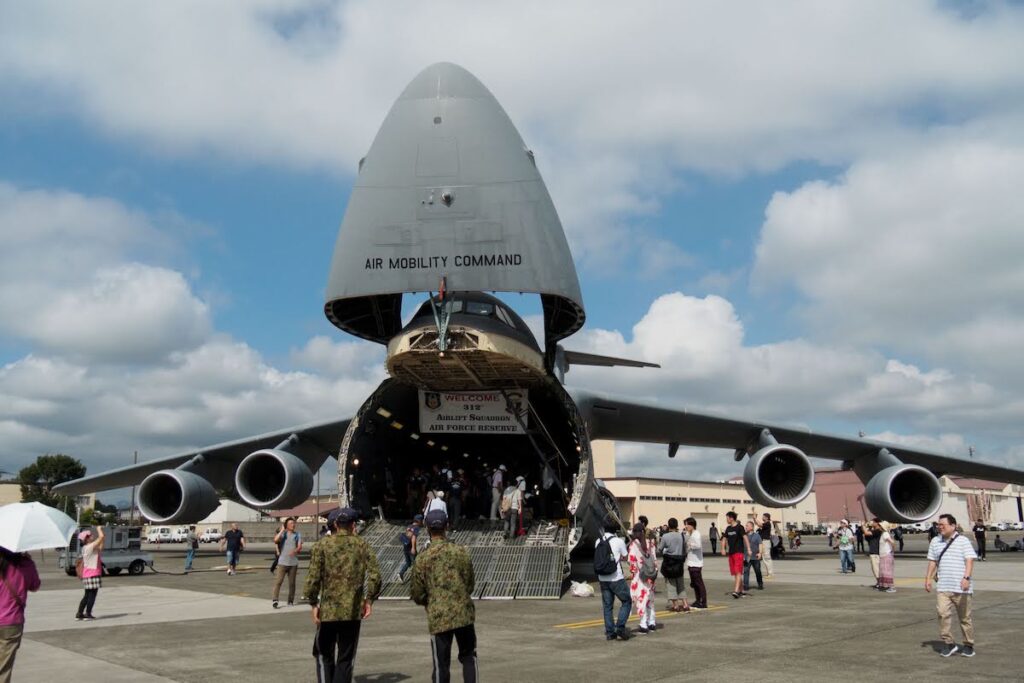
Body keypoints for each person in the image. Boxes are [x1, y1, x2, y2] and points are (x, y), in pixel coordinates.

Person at [305, 507, 381, 683]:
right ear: (353, 525)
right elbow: (375, 575)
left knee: (324, 654)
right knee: (346, 658)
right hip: (352, 611)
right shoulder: (362, 545)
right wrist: (369, 600)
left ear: (336, 525)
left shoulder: (322, 545)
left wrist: (312, 603)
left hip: (328, 611)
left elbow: (313, 577)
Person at [410, 510, 478, 682]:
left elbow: (417, 592)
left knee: (441, 664)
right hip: (463, 613)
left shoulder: (423, 558)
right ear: (447, 526)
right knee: (469, 657)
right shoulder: (460, 551)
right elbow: (470, 582)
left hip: (439, 615)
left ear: (427, 528)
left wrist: (427, 601)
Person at [925, 513, 977, 658]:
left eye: (943, 525)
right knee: (942, 614)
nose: (939, 527)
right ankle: (949, 643)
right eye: (938, 525)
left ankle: (968, 645)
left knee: (965, 618)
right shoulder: (935, 541)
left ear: (953, 526)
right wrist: (928, 578)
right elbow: (932, 561)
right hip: (943, 586)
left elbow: (969, 560)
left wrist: (966, 577)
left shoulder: (963, 541)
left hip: (961, 586)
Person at [0, 546, 40, 683]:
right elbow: (35, 586)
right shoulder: (26, 564)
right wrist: (28, 562)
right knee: (3, 668)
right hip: (11, 622)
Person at [595, 517, 632, 641]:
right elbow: (626, 557)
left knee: (607, 606)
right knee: (626, 601)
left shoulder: (598, 541)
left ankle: (610, 632)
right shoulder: (619, 541)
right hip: (616, 577)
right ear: (615, 529)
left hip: (602, 577)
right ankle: (620, 627)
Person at [627, 523, 657, 634]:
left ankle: (643, 623)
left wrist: (633, 572)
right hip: (650, 575)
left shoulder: (634, 544)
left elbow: (632, 562)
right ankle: (652, 622)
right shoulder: (651, 543)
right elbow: (654, 560)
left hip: (640, 577)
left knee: (641, 599)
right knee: (650, 600)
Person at [657, 518, 689, 613]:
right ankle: (685, 604)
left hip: (669, 563)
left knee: (671, 585)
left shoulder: (665, 536)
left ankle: (675, 606)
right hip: (679, 563)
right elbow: (686, 548)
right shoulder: (682, 536)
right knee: (680, 584)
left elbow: (660, 549)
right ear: (677, 525)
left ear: (668, 526)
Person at [272, 517, 303, 608]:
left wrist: (296, 550)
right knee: (278, 581)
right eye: (291, 523)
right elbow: (275, 540)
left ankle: (290, 601)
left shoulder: (297, 534)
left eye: (293, 523)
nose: (293, 525)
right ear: (286, 525)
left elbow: (299, 546)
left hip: (293, 563)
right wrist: (281, 530)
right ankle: (275, 600)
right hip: (282, 562)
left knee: (292, 583)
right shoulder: (283, 534)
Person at [76, 526, 105, 620]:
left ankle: (79, 614)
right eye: (90, 535)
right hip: (93, 574)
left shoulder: (86, 548)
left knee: (87, 595)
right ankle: (88, 614)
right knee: (92, 595)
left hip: (87, 574)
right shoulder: (89, 547)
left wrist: (102, 538)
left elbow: (100, 548)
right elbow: (101, 537)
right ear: (87, 539)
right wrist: (99, 529)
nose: (92, 535)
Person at [720, 511, 750, 599]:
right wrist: (723, 548)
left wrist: (748, 549)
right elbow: (724, 539)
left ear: (731, 518)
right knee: (735, 573)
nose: (726, 520)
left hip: (739, 552)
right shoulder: (728, 528)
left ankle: (736, 591)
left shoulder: (740, 527)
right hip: (731, 553)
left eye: (727, 518)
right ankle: (741, 590)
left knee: (738, 571)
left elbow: (745, 538)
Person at [683, 517, 707, 609]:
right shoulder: (691, 534)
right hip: (691, 561)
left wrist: (689, 544)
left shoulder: (696, 534)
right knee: (694, 583)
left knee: (698, 582)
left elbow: (697, 545)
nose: (686, 526)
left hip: (696, 562)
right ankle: (698, 600)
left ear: (692, 525)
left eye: (687, 524)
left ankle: (703, 601)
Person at [399, 515, 423, 581]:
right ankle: (417, 578)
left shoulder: (409, 526)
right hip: (410, 548)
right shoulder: (416, 528)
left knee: (408, 563)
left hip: (405, 548)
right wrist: (413, 548)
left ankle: (401, 573)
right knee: (416, 563)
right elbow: (413, 538)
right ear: (419, 521)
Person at [742, 521, 764, 591]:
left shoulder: (757, 535)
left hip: (755, 557)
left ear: (752, 527)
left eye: (747, 526)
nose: (746, 527)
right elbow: (741, 546)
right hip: (746, 557)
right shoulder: (744, 535)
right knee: (746, 571)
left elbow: (760, 544)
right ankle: (745, 586)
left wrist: (760, 553)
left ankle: (760, 584)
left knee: (757, 571)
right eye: (746, 526)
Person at [864, 518, 883, 588]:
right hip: (873, 550)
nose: (872, 523)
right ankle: (879, 582)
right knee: (875, 568)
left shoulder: (878, 531)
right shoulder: (874, 531)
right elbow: (867, 536)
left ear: (877, 523)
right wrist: (868, 528)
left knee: (876, 568)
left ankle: (879, 582)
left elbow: (866, 533)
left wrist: (863, 527)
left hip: (875, 551)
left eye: (873, 522)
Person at [877, 521, 896, 593]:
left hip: (886, 554)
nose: (878, 527)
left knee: (887, 571)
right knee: (883, 571)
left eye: (880, 526)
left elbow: (892, 542)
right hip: (883, 554)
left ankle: (891, 586)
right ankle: (885, 585)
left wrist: (892, 551)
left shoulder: (885, 534)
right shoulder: (883, 534)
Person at [758, 513, 774, 578]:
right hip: (764, 542)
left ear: (767, 517)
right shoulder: (765, 524)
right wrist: (754, 518)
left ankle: (770, 574)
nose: (762, 517)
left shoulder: (768, 523)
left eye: (763, 516)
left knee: (767, 558)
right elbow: (759, 524)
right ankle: (769, 573)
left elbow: (759, 524)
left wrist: (754, 518)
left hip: (766, 542)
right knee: (765, 558)